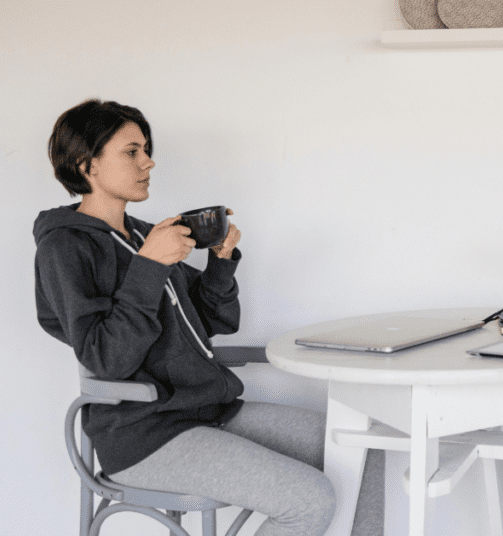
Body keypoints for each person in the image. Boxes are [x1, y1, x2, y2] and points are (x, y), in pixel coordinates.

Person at [34, 99, 384, 536]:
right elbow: (106, 358)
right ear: (88, 165)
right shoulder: (64, 247)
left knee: (366, 447)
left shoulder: (145, 234)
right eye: (132, 152)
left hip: (208, 410)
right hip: (144, 433)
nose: (149, 161)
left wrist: (220, 260)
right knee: (309, 500)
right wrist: (150, 266)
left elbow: (211, 320)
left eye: (146, 149)